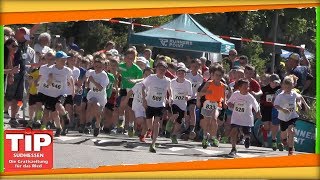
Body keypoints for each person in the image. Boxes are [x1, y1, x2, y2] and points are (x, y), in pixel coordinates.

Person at [5, 27, 36, 127]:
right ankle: (5, 113)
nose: (26, 39)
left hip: (22, 75)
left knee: (19, 99)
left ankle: (13, 117)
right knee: (8, 97)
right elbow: (9, 59)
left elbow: (30, 64)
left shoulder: (26, 47)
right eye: (24, 36)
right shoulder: (11, 43)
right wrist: (11, 74)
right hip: (12, 74)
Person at [274, 76, 310, 155]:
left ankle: (290, 149)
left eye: (289, 87)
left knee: (291, 131)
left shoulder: (294, 93)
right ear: (283, 86)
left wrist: (306, 105)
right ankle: (284, 140)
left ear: (292, 86)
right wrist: (282, 109)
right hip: (283, 117)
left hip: (292, 116)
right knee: (283, 133)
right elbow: (275, 105)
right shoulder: (280, 96)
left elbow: (300, 97)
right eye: (286, 87)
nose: (287, 89)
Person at [227, 79, 261, 157]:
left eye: (248, 87)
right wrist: (230, 105)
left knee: (247, 133)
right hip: (236, 118)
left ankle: (247, 138)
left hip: (247, 119)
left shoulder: (250, 97)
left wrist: (258, 113)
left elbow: (256, 106)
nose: (247, 89)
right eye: (245, 87)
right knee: (234, 131)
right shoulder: (236, 94)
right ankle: (233, 148)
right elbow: (229, 102)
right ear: (239, 87)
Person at [142, 61, 171, 153]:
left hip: (160, 105)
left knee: (157, 123)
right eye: (160, 69)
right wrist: (144, 99)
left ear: (166, 70)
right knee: (149, 123)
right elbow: (142, 86)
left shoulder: (167, 80)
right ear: (156, 69)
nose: (161, 71)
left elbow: (170, 91)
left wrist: (171, 98)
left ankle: (153, 143)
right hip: (150, 103)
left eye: (163, 69)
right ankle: (150, 130)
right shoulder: (151, 78)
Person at [43, 51, 73, 136]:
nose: (65, 61)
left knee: (58, 105)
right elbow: (47, 83)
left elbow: (70, 80)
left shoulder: (67, 70)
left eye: (65, 60)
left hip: (62, 92)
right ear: (56, 60)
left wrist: (73, 90)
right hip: (51, 93)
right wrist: (50, 79)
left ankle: (65, 116)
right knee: (54, 113)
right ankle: (59, 128)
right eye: (62, 60)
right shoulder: (51, 69)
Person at [198, 64, 227, 148]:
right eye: (216, 75)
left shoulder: (223, 86)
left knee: (214, 119)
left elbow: (225, 95)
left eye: (220, 75)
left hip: (217, 104)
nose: (218, 77)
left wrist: (225, 102)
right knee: (207, 122)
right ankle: (205, 138)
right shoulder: (209, 83)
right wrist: (206, 93)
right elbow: (200, 93)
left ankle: (214, 137)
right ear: (213, 75)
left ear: (222, 76)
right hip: (207, 104)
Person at [123, 68, 154, 142]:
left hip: (147, 107)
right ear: (143, 75)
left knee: (147, 123)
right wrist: (126, 100)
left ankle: (142, 135)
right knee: (140, 120)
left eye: (149, 75)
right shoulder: (138, 85)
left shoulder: (153, 86)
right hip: (138, 106)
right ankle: (138, 126)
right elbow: (130, 92)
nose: (147, 77)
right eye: (146, 75)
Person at [118, 48, 143, 136]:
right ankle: (121, 120)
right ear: (125, 58)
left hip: (133, 90)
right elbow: (116, 72)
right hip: (124, 88)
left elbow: (141, 79)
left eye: (132, 58)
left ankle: (130, 126)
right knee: (122, 104)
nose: (129, 60)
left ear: (135, 58)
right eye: (128, 57)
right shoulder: (121, 66)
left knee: (131, 109)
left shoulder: (137, 69)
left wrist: (134, 80)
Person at [83, 57, 109, 137]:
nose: (97, 68)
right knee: (91, 105)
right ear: (93, 65)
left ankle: (97, 125)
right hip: (92, 93)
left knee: (97, 113)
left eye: (100, 67)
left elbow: (100, 88)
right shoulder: (91, 72)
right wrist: (87, 82)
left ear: (103, 67)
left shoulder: (104, 75)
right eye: (96, 66)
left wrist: (93, 81)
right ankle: (88, 123)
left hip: (101, 96)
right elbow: (86, 79)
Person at [165, 67, 192, 144]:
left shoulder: (188, 83)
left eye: (182, 73)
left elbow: (190, 94)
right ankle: (168, 125)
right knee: (176, 114)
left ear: (185, 74)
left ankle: (173, 135)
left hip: (183, 104)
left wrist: (188, 97)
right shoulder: (172, 82)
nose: (180, 75)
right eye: (179, 73)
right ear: (176, 74)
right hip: (174, 102)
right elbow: (169, 90)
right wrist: (170, 98)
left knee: (179, 122)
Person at [259, 74, 281, 148]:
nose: (275, 84)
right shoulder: (264, 89)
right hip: (265, 109)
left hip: (274, 109)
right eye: (274, 82)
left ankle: (273, 140)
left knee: (272, 127)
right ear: (270, 81)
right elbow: (260, 99)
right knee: (266, 126)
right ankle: (263, 133)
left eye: (277, 82)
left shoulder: (279, 89)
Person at [184, 59, 203, 140]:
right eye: (194, 66)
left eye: (197, 66)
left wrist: (197, 97)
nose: (195, 67)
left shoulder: (200, 77)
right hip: (184, 96)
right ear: (190, 65)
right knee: (186, 115)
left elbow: (199, 89)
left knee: (192, 110)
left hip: (193, 97)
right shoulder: (186, 74)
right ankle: (186, 130)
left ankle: (192, 129)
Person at [62, 51, 80, 134]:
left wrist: (74, 89)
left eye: (74, 59)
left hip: (69, 92)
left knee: (68, 108)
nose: (73, 61)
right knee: (60, 110)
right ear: (67, 60)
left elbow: (75, 81)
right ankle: (61, 124)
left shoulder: (77, 71)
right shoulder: (63, 68)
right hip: (61, 92)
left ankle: (65, 126)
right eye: (71, 59)